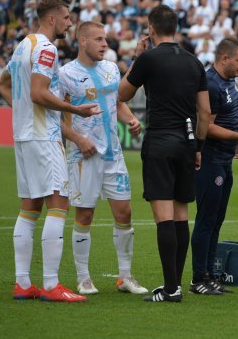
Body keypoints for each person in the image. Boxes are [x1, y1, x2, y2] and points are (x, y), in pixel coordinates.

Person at [0, 0, 100, 302]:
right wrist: (74, 110)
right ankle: (52, 285)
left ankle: (23, 283)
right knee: (59, 203)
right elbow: (39, 92)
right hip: (44, 136)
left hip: (23, 136)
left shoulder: (21, 46)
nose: (70, 23)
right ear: (52, 19)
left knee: (30, 207)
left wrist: (22, 110)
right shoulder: (46, 48)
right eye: (67, 18)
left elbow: (3, 83)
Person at [118, 5, 211, 303]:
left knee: (164, 218)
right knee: (181, 214)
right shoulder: (195, 63)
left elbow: (122, 94)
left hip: (159, 139)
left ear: (151, 28)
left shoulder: (147, 58)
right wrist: (198, 147)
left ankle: (171, 288)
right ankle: (177, 284)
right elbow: (205, 113)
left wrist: (135, 57)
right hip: (187, 142)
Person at [58, 21, 148, 296]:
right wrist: (78, 139)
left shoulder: (110, 69)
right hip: (84, 157)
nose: (105, 44)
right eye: (98, 39)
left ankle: (125, 277)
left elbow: (118, 103)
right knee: (85, 214)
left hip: (114, 156)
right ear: (82, 41)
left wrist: (131, 119)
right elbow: (55, 118)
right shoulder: (64, 74)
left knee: (125, 213)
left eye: (105, 39)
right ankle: (83, 277)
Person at [190, 37, 238, 295]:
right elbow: (207, 125)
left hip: (225, 160)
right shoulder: (211, 84)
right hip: (210, 160)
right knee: (206, 219)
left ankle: (211, 275)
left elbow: (232, 116)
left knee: (217, 219)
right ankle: (198, 278)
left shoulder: (228, 81)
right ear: (224, 58)